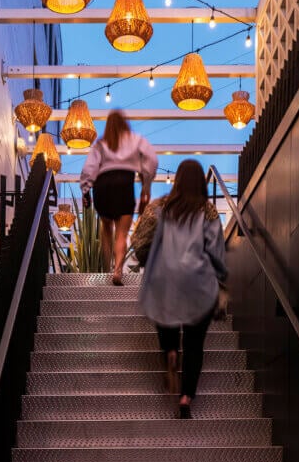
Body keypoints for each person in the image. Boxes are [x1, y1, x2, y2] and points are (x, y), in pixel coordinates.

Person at [137, 159, 227, 418]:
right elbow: (216, 252)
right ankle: (186, 396)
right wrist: (219, 275)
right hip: (198, 283)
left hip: (164, 279)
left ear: (176, 180)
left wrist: (148, 261)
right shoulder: (208, 211)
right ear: (201, 182)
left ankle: (170, 352)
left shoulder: (159, 207)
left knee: (165, 319)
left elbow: (140, 241)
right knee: (195, 341)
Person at [79, 110, 158, 285]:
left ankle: (106, 269)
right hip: (124, 185)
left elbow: (89, 168)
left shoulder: (101, 144)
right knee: (121, 233)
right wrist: (146, 185)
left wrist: (86, 190)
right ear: (125, 124)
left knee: (106, 228)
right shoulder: (135, 140)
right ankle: (117, 271)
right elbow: (151, 159)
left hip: (103, 186)